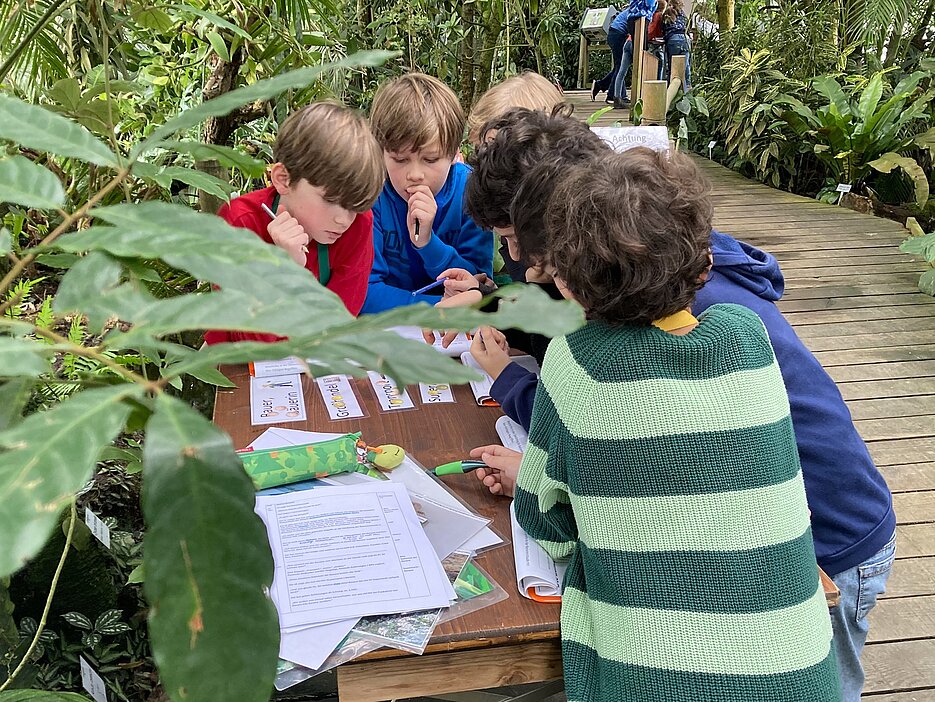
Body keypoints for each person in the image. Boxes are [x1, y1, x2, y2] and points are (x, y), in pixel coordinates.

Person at [468, 112, 895, 701]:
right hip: (760, 569)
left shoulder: (595, 356)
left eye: (526, 251)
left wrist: (556, 482)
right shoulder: (724, 321)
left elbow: (561, 514)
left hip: (833, 543)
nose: (523, 264)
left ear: (567, 271)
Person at [204, 102, 384, 344]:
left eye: (354, 206)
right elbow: (251, 341)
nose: (343, 219)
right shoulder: (239, 224)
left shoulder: (358, 223)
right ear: (283, 179)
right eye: (330, 200)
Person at [361, 73, 492, 313]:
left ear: (454, 154)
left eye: (430, 159)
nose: (415, 174)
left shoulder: (471, 191)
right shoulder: (373, 194)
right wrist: (439, 308)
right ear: (380, 153)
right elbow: (365, 293)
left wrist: (428, 244)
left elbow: (480, 283)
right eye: (400, 159)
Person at [661, 0, 691, 87]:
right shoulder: (683, 15)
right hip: (685, 39)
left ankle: (671, 91)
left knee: (672, 68)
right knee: (686, 67)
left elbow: (663, 28)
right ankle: (687, 90)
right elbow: (687, 27)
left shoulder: (667, 13)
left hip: (673, 40)